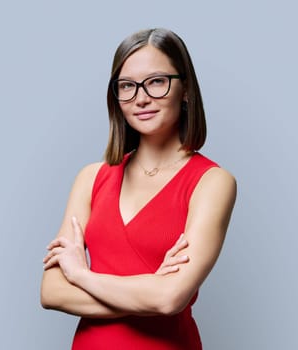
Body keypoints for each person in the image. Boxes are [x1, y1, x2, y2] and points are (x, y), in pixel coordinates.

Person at [40, 28, 237, 349]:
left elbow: (170, 298)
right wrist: (149, 290)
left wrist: (81, 276)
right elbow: (51, 292)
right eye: (127, 86)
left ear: (185, 88)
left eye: (157, 81)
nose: (141, 97)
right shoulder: (90, 178)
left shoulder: (213, 182)